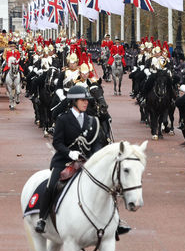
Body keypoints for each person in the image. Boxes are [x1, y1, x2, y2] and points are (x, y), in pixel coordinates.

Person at [35, 85, 129, 236]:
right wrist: (69, 153)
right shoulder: (63, 119)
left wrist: (96, 156)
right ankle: (43, 218)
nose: (86, 103)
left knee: (108, 185)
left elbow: (96, 142)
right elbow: (57, 142)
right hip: (65, 161)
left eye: (87, 100)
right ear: (74, 102)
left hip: (87, 161)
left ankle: (116, 221)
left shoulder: (92, 120)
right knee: (52, 185)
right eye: (82, 100)